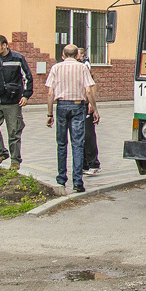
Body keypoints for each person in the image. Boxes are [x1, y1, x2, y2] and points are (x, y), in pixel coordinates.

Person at [44, 44, 97, 194]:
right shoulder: (82, 68)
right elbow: (88, 90)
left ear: (63, 55)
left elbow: (50, 92)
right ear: (78, 55)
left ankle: (61, 178)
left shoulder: (56, 68)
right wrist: (94, 108)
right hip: (78, 106)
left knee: (61, 144)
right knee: (77, 144)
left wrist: (49, 114)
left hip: (61, 106)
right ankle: (78, 182)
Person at [0, 34, 34, 169]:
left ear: (4, 45)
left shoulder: (17, 58)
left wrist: (26, 95)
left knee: (14, 131)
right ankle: (1, 153)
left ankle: (15, 161)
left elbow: (28, 77)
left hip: (13, 101)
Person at [79, 47, 101, 176]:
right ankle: (84, 164)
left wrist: (92, 105)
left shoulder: (85, 70)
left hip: (86, 105)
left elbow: (91, 89)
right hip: (78, 105)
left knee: (88, 135)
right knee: (80, 136)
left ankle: (93, 163)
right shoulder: (77, 69)